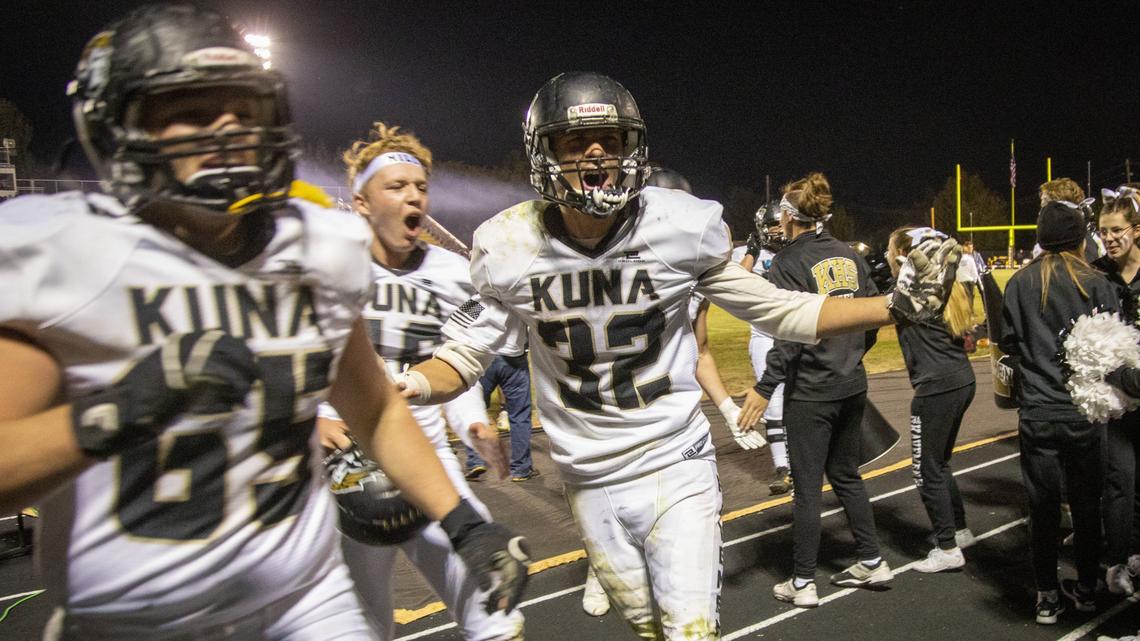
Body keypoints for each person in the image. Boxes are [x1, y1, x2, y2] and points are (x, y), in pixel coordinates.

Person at [0, 6, 528, 639]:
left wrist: (463, 523)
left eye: (245, 109)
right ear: (117, 127)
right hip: (132, 620)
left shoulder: (317, 248)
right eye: (191, 108)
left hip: (304, 598)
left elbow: (376, 409)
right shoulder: (60, 255)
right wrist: (112, 415)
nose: (227, 128)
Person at [396, 72, 959, 640]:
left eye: (612, 141)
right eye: (575, 142)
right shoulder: (510, 246)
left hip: (675, 459)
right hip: (587, 477)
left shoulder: (677, 226)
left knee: (691, 632)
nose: (596, 153)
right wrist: (409, 387)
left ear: (631, 150)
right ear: (544, 154)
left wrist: (895, 306)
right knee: (648, 631)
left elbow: (782, 311)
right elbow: (462, 356)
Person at [317, 122, 525, 640]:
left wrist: (475, 423)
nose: (414, 197)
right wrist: (313, 420)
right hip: (340, 472)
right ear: (361, 201)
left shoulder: (453, 273)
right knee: (363, 628)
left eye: (421, 187)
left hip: (426, 459)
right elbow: (288, 366)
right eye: (397, 187)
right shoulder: (322, 264)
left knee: (495, 607)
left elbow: (452, 365)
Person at [749, 173, 891, 608]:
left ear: (790, 217)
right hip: (851, 383)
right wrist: (849, 357)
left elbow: (789, 337)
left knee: (808, 487)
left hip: (812, 390)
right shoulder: (849, 253)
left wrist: (764, 387)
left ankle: (803, 581)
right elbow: (872, 317)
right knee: (847, 475)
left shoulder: (788, 263)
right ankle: (871, 559)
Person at [999, 200, 1117, 624]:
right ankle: (1087, 589)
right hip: (1084, 412)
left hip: (1038, 412)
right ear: (1081, 238)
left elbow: (1008, 345)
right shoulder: (1098, 284)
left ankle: (1046, 595)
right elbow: (1113, 348)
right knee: (1087, 506)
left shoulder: (1019, 283)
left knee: (1042, 507)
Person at [887, 227, 978, 572]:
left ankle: (947, 547)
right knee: (938, 464)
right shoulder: (942, 290)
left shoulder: (911, 296)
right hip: (960, 380)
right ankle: (959, 529)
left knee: (926, 470)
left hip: (937, 388)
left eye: (891, 251)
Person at [1093, 186, 1140, 595]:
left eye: (1115, 230)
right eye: (1102, 232)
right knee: (1120, 480)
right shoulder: (1097, 274)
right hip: (1116, 400)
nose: (1108, 238)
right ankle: (1119, 560)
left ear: (1136, 230)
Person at [736, 200, 794, 495]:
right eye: (771, 227)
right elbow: (734, 284)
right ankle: (783, 468)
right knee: (772, 400)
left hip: (796, 331)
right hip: (764, 335)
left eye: (779, 225)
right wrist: (751, 252)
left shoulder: (798, 248)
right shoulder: (750, 256)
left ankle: (807, 459)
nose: (777, 232)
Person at [466, 353, 539, 483]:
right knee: (520, 415)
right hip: (513, 358)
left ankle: (475, 461)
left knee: (474, 408)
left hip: (482, 356)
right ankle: (521, 469)